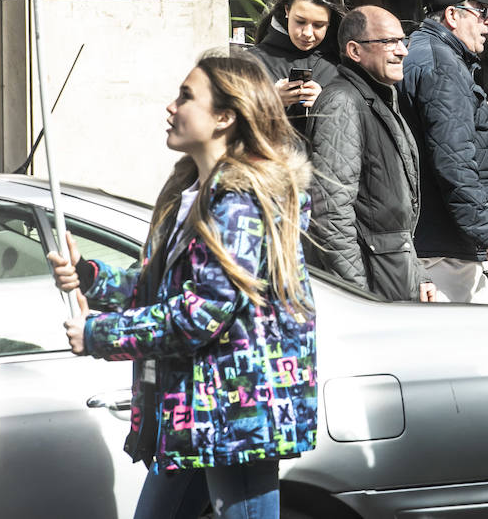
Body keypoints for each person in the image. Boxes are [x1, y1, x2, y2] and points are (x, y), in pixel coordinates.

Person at [48, 51, 316, 519]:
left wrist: (100, 334)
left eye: (186, 97)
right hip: (194, 405)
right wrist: (91, 276)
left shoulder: (240, 201)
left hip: (235, 412)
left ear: (225, 117)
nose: (170, 107)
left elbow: (201, 312)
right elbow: (163, 287)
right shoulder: (192, 190)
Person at [307, 6, 435, 302]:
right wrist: (358, 295)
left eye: (403, 41)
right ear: (354, 50)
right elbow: (330, 212)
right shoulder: (342, 102)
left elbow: (393, 217)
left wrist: (418, 273)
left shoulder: (379, 97)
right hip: (371, 289)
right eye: (389, 42)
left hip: (391, 278)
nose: (402, 51)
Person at [399, 0, 488, 303]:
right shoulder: (442, 66)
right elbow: (454, 163)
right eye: (483, 12)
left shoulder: (427, 53)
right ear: (452, 15)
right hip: (444, 248)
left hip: (438, 239)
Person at [249, 0, 347, 135]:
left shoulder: (344, 61)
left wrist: (327, 103)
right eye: (300, 22)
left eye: (318, 25)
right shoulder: (251, 61)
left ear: (331, 21)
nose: (308, 33)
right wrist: (269, 100)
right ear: (287, 11)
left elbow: (365, 125)